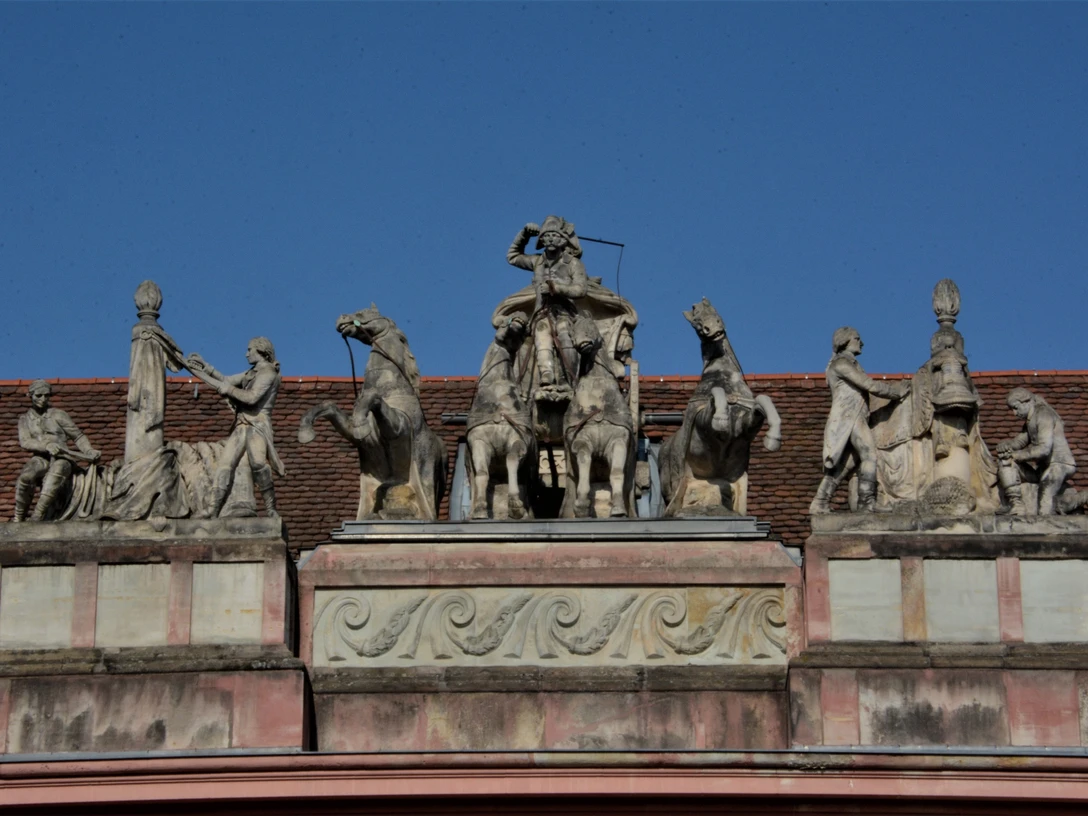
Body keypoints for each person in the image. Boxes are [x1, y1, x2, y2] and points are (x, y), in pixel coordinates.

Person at [810, 327, 910, 513]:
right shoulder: (841, 364)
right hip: (849, 418)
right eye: (857, 338)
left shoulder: (852, 364)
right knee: (869, 455)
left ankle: (820, 502)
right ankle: (867, 502)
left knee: (846, 465)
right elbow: (869, 384)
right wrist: (896, 392)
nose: (861, 342)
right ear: (845, 341)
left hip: (857, 417)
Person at [186, 337, 284, 518]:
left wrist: (228, 390)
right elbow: (226, 380)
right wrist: (204, 367)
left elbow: (251, 397)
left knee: (258, 464)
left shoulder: (268, 373)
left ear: (261, 351)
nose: (246, 354)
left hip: (258, 425)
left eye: (250, 350)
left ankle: (271, 510)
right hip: (242, 425)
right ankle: (212, 509)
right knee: (225, 464)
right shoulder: (251, 373)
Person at [506, 216, 588, 394]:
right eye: (546, 236)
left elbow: (581, 289)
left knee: (564, 334)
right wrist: (524, 234)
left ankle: (568, 379)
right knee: (542, 336)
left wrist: (556, 288)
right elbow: (513, 257)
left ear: (563, 240)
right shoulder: (537, 262)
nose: (550, 239)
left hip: (566, 313)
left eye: (555, 235)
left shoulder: (573, 263)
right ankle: (546, 374)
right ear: (541, 240)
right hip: (541, 313)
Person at [14, 380, 101, 521]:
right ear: (30, 395)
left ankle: (38, 515)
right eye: (39, 395)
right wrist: (46, 445)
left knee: (57, 471)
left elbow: (78, 436)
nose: (43, 399)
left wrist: (89, 451)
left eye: (46, 396)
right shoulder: (24, 419)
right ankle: (18, 516)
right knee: (26, 477)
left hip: (63, 457)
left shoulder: (58, 415)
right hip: (41, 458)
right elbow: (25, 442)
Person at [995, 388, 1076, 515]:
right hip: (1042, 469)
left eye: (1016, 408)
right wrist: (1005, 446)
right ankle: (1016, 505)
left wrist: (1016, 455)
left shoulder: (1044, 415)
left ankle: (1077, 500)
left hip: (1059, 464)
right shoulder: (1030, 421)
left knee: (1044, 507)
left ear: (1026, 401)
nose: (1014, 413)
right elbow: (1019, 442)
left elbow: (1044, 449)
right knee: (1006, 461)